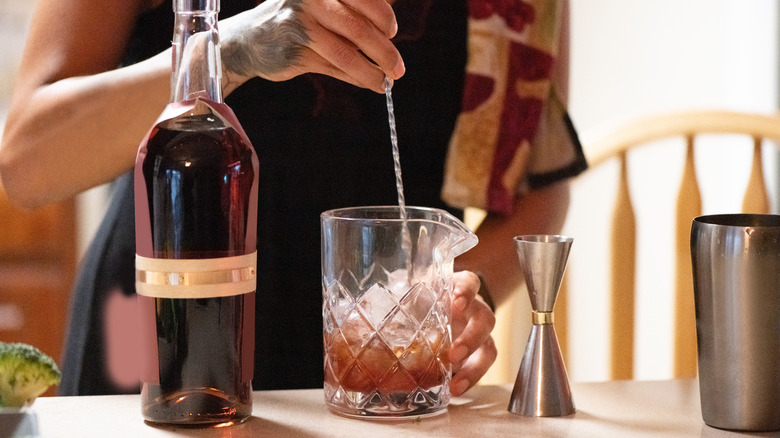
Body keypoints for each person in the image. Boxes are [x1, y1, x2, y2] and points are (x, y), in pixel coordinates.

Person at [0, 0, 583, 397]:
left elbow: (540, 182)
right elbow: (28, 162)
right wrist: (227, 52)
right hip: (162, 345)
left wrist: (455, 296)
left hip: (378, 374)